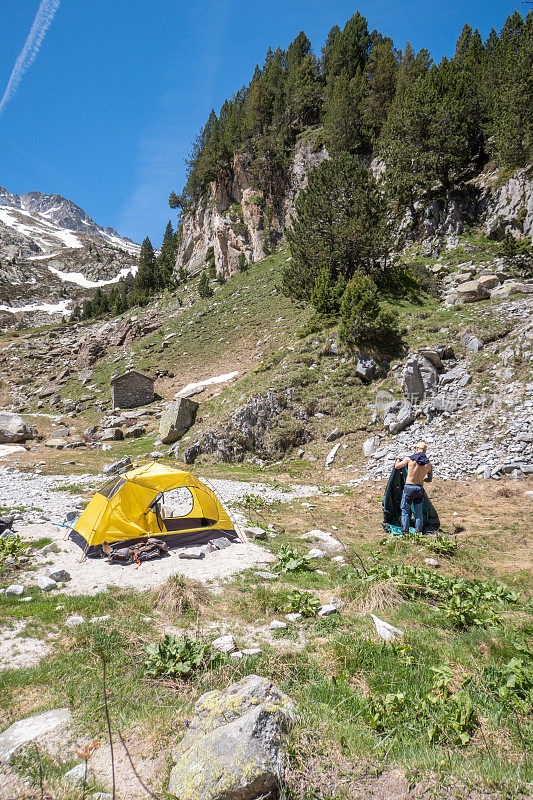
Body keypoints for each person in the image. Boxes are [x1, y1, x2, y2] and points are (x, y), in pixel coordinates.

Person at [395, 441, 432, 534]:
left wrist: (398, 459)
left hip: (409, 487)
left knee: (405, 510)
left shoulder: (409, 459)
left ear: (416, 449)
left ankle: (405, 531)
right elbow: (429, 479)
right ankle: (418, 531)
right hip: (419, 488)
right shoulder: (428, 464)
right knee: (418, 512)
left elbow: (397, 466)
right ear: (425, 451)